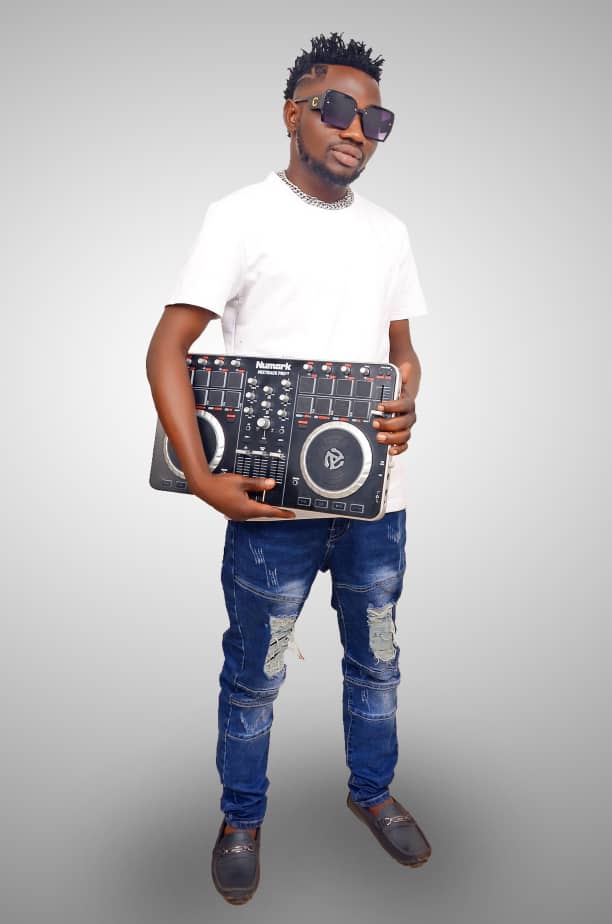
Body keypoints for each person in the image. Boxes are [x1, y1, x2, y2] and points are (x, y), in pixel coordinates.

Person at [146, 32, 432, 905]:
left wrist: (407, 397)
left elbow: (403, 354)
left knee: (377, 660)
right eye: (337, 108)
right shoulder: (238, 217)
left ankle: (371, 792)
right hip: (273, 507)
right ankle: (241, 817)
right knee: (255, 674)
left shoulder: (390, 232)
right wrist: (201, 477)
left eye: (375, 119)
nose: (356, 129)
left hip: (375, 502)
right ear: (291, 114)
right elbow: (166, 350)